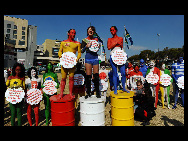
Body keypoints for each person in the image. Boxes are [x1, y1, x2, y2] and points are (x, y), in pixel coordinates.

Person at [58, 29, 81, 99]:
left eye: (74, 33)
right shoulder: (63, 42)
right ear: (68, 33)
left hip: (72, 63)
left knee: (71, 78)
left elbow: (79, 53)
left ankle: (70, 93)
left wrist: (77, 59)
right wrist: (60, 56)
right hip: (64, 62)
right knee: (63, 78)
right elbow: (60, 51)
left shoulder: (77, 43)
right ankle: (61, 93)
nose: (73, 34)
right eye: (72, 33)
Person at [107, 26, 129, 94]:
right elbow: (109, 47)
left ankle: (124, 87)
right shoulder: (109, 39)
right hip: (113, 55)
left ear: (116, 30)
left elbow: (121, 46)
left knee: (123, 73)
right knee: (114, 73)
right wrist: (116, 43)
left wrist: (124, 55)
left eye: (113, 30)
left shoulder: (121, 38)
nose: (112, 31)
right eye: (110, 30)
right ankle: (115, 88)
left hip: (120, 55)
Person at [81, 26, 101, 98]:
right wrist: (86, 46)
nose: (91, 31)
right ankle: (88, 92)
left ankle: (98, 92)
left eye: (92, 30)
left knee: (96, 75)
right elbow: (81, 51)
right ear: (87, 32)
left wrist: (98, 47)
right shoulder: (84, 40)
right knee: (88, 76)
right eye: (89, 30)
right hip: (88, 59)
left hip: (95, 58)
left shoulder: (96, 39)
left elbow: (96, 49)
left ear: (94, 32)